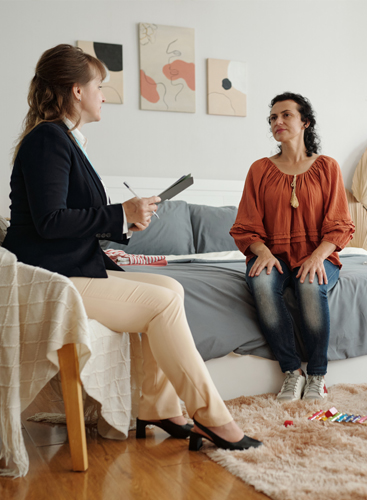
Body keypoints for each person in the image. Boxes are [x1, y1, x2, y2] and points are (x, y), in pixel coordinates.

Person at [2, 44, 261, 451]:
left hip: (67, 267)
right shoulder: (48, 140)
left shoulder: (63, 140)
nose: (103, 94)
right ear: (76, 91)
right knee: (162, 303)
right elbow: (51, 222)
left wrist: (126, 220)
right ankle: (213, 417)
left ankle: (156, 406)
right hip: (51, 278)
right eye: (99, 85)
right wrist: (119, 213)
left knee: (172, 289)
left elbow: (72, 216)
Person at [230, 92, 355, 402]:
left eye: (286, 115)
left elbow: (340, 223)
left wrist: (317, 256)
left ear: (305, 122)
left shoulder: (327, 167)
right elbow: (246, 224)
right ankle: (291, 372)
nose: (278, 121)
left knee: (311, 284)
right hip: (272, 255)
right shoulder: (259, 170)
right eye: (273, 117)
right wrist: (262, 252)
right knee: (260, 281)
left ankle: (317, 375)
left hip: (319, 253)